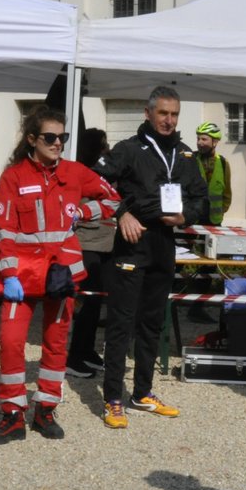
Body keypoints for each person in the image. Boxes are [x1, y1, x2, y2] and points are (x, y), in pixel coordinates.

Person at [0, 107, 117, 442]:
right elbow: (3, 231)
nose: (58, 143)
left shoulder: (75, 172)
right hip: (21, 277)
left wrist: (84, 211)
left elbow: (113, 200)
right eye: (50, 137)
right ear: (32, 139)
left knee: (56, 345)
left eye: (63, 137)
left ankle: (45, 409)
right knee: (11, 343)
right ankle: (12, 415)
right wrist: (8, 273)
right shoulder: (14, 176)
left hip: (60, 274)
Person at [94, 85, 207, 428]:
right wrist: (121, 214)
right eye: (163, 113)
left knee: (152, 323)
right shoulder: (128, 150)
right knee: (121, 322)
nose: (169, 120)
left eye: (174, 114)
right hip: (133, 240)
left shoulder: (186, 155)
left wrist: (185, 216)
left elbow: (202, 200)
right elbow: (95, 182)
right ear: (148, 113)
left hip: (165, 242)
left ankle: (142, 392)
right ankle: (113, 397)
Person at [65, 127, 112, 378]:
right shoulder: (83, 174)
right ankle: (74, 356)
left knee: (95, 303)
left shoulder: (100, 172)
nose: (108, 149)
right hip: (87, 244)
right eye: (104, 144)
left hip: (103, 244)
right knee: (85, 302)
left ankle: (86, 350)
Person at [194, 122, 233, 226]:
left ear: (214, 142)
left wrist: (221, 211)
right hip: (194, 218)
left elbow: (227, 193)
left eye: (204, 139)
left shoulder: (223, 162)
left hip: (214, 220)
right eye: (198, 139)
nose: (199, 142)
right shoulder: (191, 159)